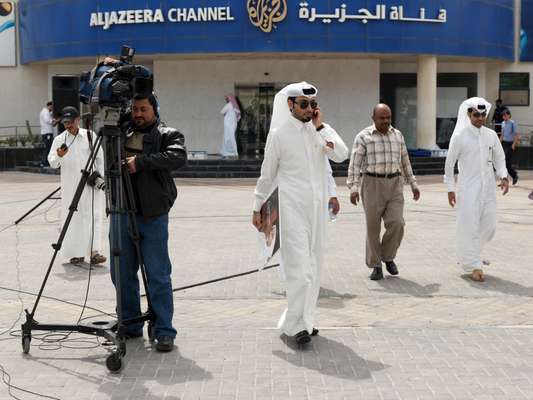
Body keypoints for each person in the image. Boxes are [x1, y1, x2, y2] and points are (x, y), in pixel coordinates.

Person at [252, 81, 348, 345]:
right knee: (300, 270)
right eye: (304, 104)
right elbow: (267, 173)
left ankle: (305, 320)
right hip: (291, 208)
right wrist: (256, 206)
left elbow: (341, 154)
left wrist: (320, 127)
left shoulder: (319, 132)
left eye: (313, 104)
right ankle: (294, 327)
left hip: (316, 212)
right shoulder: (279, 135)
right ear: (290, 105)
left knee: (315, 268)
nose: (309, 109)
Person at [110, 93, 187, 353]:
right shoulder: (121, 132)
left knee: (158, 275)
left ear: (155, 110)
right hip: (121, 212)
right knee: (121, 273)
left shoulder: (168, 133)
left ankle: (163, 330)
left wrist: (140, 162)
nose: (138, 114)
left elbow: (177, 157)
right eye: (135, 109)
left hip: (152, 215)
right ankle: (130, 324)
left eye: (143, 109)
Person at [347, 104, 420, 281]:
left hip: (395, 183)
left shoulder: (398, 135)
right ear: (373, 118)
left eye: (388, 117)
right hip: (372, 184)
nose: (386, 121)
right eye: (382, 118)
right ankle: (376, 265)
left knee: (397, 223)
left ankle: (388, 257)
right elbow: (355, 164)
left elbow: (405, 160)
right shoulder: (363, 137)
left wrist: (413, 183)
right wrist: (354, 187)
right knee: (373, 228)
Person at [444, 97, 509, 282]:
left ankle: (472, 255)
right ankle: (474, 265)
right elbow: (449, 165)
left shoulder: (490, 135)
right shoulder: (459, 137)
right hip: (468, 188)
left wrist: (503, 176)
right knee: (469, 226)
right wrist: (450, 188)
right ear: (469, 114)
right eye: (476, 115)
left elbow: (499, 158)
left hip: (488, 188)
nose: (480, 118)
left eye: (482, 114)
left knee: (490, 226)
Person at [47, 106, 107, 265]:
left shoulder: (89, 135)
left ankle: (95, 253)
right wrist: (59, 156)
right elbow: (52, 162)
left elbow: (100, 158)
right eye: (65, 122)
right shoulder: (59, 139)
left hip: (90, 185)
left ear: (78, 120)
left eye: (71, 122)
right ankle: (77, 253)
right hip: (71, 187)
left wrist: (100, 178)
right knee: (74, 219)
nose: (68, 125)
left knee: (93, 217)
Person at [500, 109, 520, 185]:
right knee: (503, 162)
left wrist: (513, 145)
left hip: (510, 144)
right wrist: (498, 143)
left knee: (506, 162)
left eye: (505, 115)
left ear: (509, 115)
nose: (504, 116)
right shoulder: (503, 123)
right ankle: (505, 179)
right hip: (504, 143)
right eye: (503, 115)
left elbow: (516, 135)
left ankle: (514, 175)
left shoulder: (512, 123)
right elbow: (502, 134)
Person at [220, 94, 240, 158]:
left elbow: (222, 112)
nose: (226, 100)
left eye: (227, 99)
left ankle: (230, 152)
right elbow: (239, 116)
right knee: (230, 137)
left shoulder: (228, 105)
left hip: (228, 125)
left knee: (228, 138)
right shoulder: (236, 106)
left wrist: (225, 113)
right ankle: (231, 152)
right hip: (233, 125)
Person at [39, 101, 57, 167]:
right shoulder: (45, 112)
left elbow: (50, 117)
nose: (52, 108)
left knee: (48, 147)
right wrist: (54, 120)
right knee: (48, 148)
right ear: (50, 106)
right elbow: (47, 120)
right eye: (52, 107)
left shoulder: (46, 112)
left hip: (46, 132)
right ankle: (44, 162)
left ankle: (45, 162)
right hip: (47, 133)